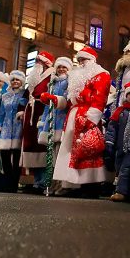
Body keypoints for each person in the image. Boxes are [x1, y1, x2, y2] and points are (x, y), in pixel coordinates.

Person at [52, 46, 111, 195]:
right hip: (73, 116)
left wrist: (91, 118)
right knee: (71, 152)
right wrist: (56, 100)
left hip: (87, 116)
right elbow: (70, 101)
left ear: (92, 60)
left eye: (84, 59)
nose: (81, 63)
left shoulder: (101, 74)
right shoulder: (76, 77)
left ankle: (88, 186)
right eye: (79, 60)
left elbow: (100, 98)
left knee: (87, 149)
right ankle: (72, 184)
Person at [21, 51, 55, 192]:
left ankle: (42, 182)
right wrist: (22, 109)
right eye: (37, 61)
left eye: (40, 61)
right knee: (31, 145)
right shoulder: (33, 77)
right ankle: (34, 180)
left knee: (41, 145)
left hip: (43, 110)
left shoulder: (52, 75)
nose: (37, 64)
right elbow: (26, 95)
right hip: (31, 112)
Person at [38, 56, 73, 193]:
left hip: (62, 122)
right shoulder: (51, 84)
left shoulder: (70, 82)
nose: (61, 69)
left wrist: (56, 99)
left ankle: (62, 185)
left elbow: (68, 101)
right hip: (51, 124)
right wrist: (43, 123)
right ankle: (51, 184)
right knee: (51, 157)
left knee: (60, 156)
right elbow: (48, 107)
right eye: (59, 67)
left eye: (64, 67)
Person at [0, 70, 27, 192]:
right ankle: (7, 181)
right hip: (6, 128)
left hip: (18, 128)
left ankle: (14, 183)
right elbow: (2, 114)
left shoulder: (24, 94)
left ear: (21, 82)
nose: (15, 82)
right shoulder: (5, 96)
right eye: (13, 79)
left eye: (17, 80)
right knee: (4, 155)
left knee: (16, 156)